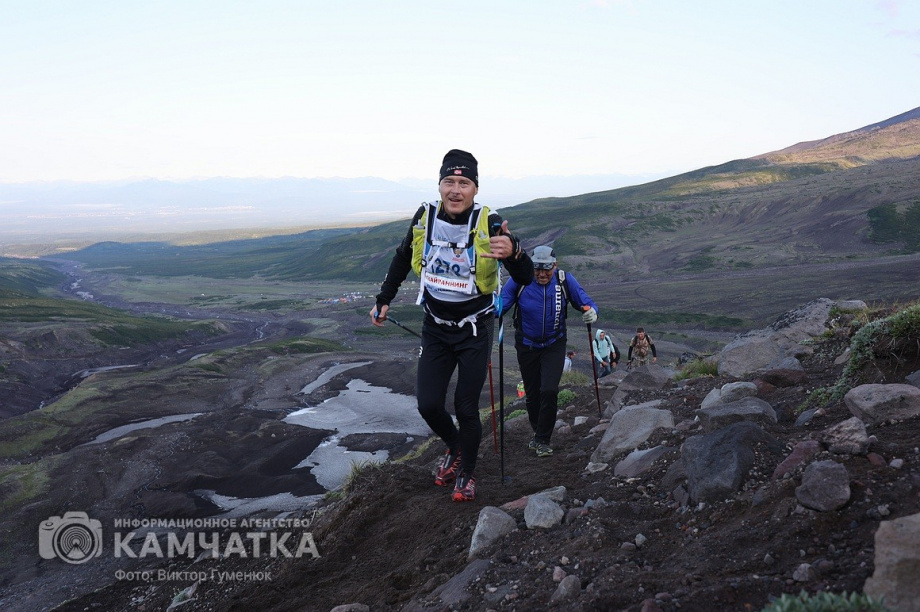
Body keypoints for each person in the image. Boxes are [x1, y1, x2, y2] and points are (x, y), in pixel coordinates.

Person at [370, 149, 533, 502]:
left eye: (464, 183)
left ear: (475, 189)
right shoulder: (424, 216)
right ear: (439, 185)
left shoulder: (490, 222)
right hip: (436, 326)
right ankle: (456, 446)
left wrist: (515, 252)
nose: (455, 190)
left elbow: (526, 277)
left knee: (465, 405)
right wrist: (384, 298)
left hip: (475, 329)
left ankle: (467, 473)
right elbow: (403, 256)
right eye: (449, 181)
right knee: (428, 404)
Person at [498, 245, 598, 458]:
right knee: (533, 395)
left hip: (554, 344)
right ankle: (538, 433)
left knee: (549, 390)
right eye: (537, 269)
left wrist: (592, 312)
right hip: (527, 346)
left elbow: (586, 302)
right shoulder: (519, 280)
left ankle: (543, 439)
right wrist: (488, 309)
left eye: (547, 269)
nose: (542, 274)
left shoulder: (564, 280)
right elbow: (500, 306)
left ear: (555, 265)